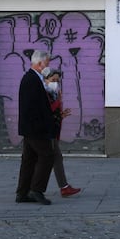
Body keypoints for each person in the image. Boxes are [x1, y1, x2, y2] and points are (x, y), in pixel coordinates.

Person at [16, 50, 57, 205]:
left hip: (31, 128)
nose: (48, 66)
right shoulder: (31, 80)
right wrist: (44, 127)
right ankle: (36, 190)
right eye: (47, 63)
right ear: (40, 64)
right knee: (47, 156)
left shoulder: (34, 78)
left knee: (29, 159)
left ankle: (22, 192)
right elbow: (33, 107)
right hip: (36, 129)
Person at [42, 67, 81, 197]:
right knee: (52, 158)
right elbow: (46, 111)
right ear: (45, 79)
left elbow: (53, 113)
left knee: (55, 158)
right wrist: (58, 103)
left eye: (57, 80)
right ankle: (61, 187)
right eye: (53, 80)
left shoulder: (54, 93)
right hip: (46, 131)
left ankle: (63, 187)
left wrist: (60, 114)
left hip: (53, 129)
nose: (55, 83)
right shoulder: (44, 93)